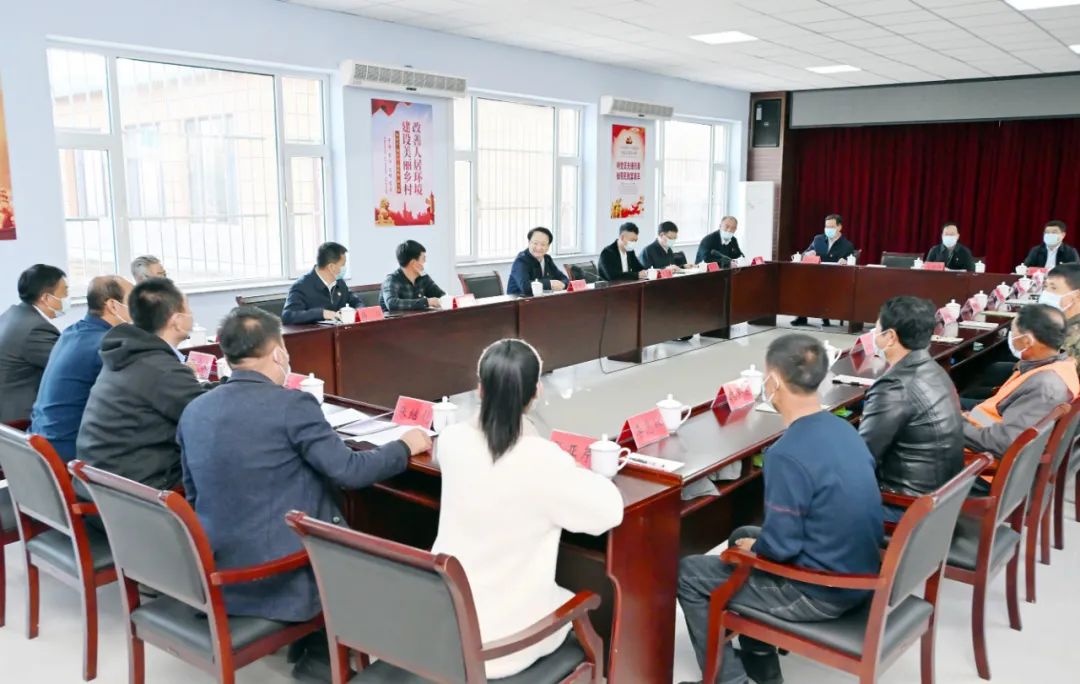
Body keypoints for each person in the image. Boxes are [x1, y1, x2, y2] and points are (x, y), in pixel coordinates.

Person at [178, 307, 430, 634]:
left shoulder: (195, 409)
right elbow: (350, 472)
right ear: (278, 353)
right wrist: (404, 446)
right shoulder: (292, 405)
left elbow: (194, 494)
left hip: (218, 566)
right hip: (282, 575)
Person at [677, 334, 882, 684]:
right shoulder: (843, 428)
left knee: (689, 574)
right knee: (742, 534)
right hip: (858, 571)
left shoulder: (787, 453)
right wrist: (753, 544)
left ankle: (730, 680)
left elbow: (781, 548)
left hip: (821, 592)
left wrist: (757, 549)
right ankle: (761, 662)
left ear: (772, 382)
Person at [431, 339, 623, 678]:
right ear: (537, 392)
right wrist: (577, 469)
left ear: (479, 389)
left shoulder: (451, 441)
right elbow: (610, 512)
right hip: (504, 648)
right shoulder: (544, 461)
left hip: (445, 628)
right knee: (571, 598)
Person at [77, 278, 211, 491]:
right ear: (177, 321)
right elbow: (211, 415)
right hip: (138, 492)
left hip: (102, 482)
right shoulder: (160, 368)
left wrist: (225, 386)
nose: (192, 315)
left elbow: (191, 396)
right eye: (188, 309)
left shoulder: (127, 353)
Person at [858, 297, 964, 523]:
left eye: (877, 328)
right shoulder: (934, 369)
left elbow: (863, 455)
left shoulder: (894, 386)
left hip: (906, 506)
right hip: (943, 497)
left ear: (890, 336)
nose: (874, 335)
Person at [30, 276, 133, 461]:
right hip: (70, 452)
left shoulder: (71, 332)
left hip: (39, 442)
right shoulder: (107, 344)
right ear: (113, 305)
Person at [964, 304, 1078, 458]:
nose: (1011, 337)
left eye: (1013, 332)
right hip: (990, 424)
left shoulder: (1046, 386)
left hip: (984, 459)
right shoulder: (1059, 366)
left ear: (1026, 341)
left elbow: (1003, 443)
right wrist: (967, 417)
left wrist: (954, 424)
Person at [0, 264, 68, 423]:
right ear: (46, 298)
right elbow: (66, 365)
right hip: (20, 418)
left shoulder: (12, 314)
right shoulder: (36, 328)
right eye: (65, 292)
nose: (67, 297)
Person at [791, 214, 856, 327]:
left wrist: (845, 262)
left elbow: (851, 264)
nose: (828, 229)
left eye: (831, 227)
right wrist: (808, 254)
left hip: (835, 278)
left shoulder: (847, 245)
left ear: (839, 227)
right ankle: (802, 317)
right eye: (826, 227)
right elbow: (804, 254)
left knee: (821, 285)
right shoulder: (818, 239)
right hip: (815, 275)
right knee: (802, 282)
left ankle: (825, 314)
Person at [282, 242, 363, 324]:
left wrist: (358, 311)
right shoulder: (301, 286)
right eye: (343, 264)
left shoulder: (339, 282)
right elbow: (287, 316)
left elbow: (356, 301)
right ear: (331, 267)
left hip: (341, 330)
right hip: (316, 332)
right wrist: (322, 314)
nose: (345, 268)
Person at [379, 239, 446, 312]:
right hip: (395, 319)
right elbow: (392, 304)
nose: (425, 261)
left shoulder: (423, 277)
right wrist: (427, 302)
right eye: (423, 258)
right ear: (413, 263)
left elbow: (442, 296)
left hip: (419, 318)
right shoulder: (391, 280)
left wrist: (447, 300)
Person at [506, 227, 569, 296]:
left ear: (548, 246)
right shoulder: (521, 261)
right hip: (518, 300)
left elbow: (564, 278)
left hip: (541, 299)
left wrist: (563, 284)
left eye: (543, 244)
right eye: (535, 243)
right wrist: (550, 284)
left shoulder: (547, 259)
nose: (539, 248)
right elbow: (525, 287)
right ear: (529, 243)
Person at [1042, 263, 1080, 370]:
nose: (1046, 293)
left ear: (1077, 295)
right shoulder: (1063, 321)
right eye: (1046, 287)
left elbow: (1055, 372)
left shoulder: (1075, 334)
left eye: (1054, 288)